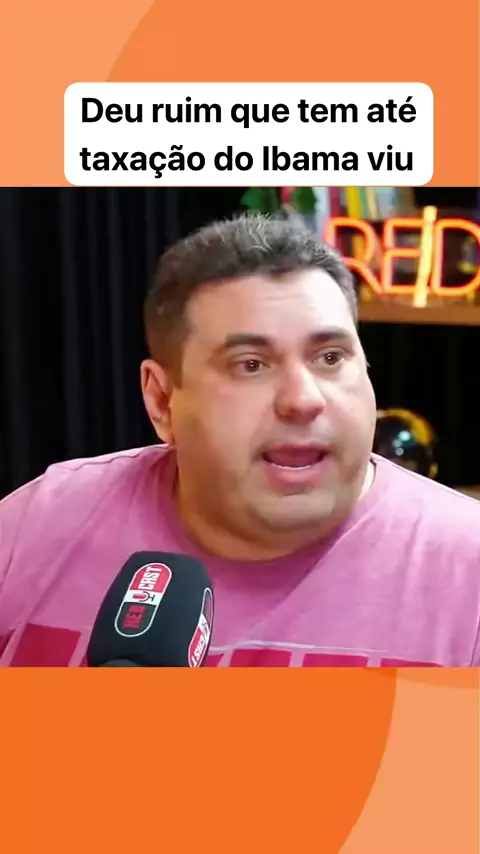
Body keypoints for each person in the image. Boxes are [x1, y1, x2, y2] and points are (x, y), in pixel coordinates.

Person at [1, 213, 480, 668]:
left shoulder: (466, 568)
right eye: (251, 365)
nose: (303, 400)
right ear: (162, 401)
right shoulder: (35, 527)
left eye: (331, 358)